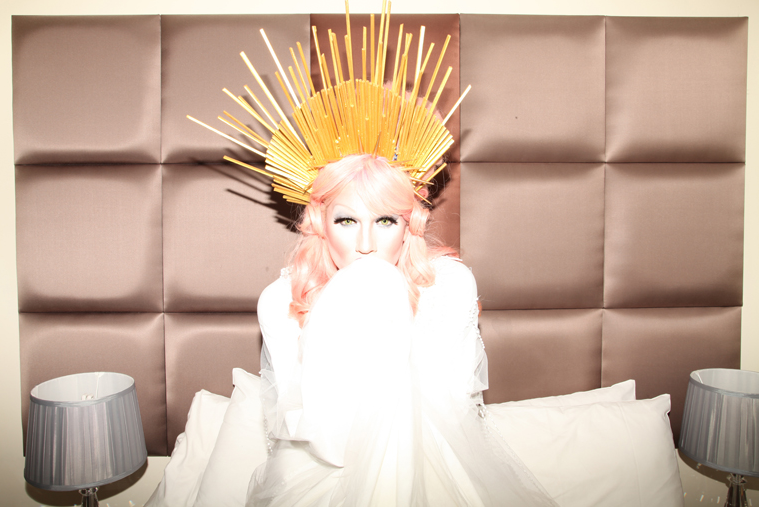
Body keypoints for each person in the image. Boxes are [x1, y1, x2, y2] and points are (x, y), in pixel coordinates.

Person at [246, 154, 557, 506]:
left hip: (436, 470)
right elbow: (322, 441)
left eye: (385, 220)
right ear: (321, 224)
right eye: (346, 220)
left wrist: (387, 303)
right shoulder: (282, 300)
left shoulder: (447, 286)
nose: (366, 244)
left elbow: (454, 418)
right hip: (320, 474)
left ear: (409, 226)